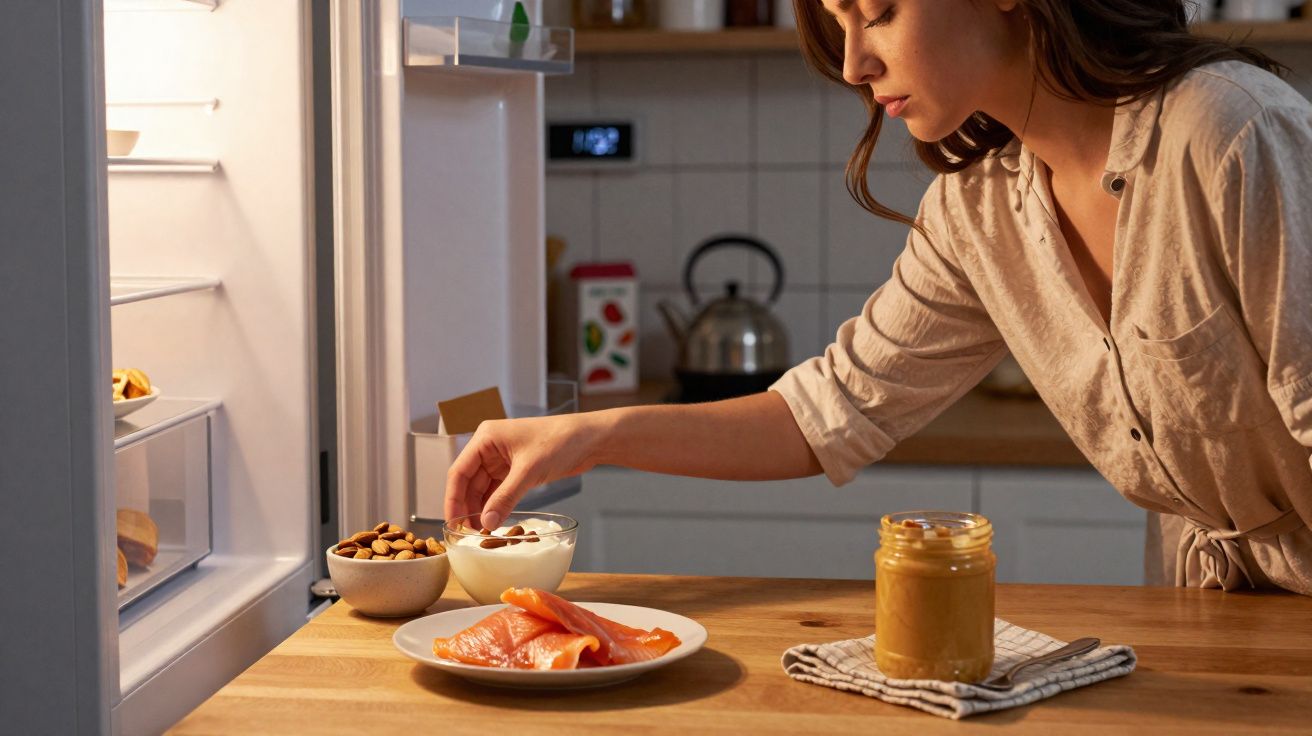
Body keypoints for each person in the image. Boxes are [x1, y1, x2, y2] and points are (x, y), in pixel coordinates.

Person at [445, 0, 1312, 595]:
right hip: (1211, 618)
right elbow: (829, 409)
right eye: (839, 21)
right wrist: (591, 436)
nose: (856, 61)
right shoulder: (979, 207)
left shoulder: (1229, 133)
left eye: (879, 11)